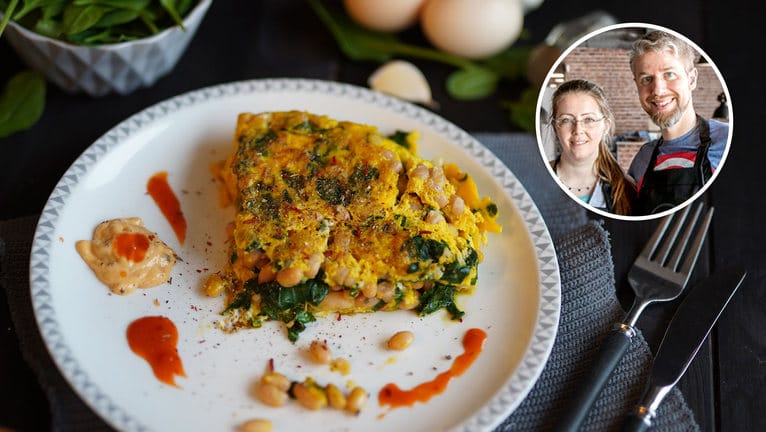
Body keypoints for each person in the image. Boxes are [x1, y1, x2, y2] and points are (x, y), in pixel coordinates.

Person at [627, 30, 729, 215]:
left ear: (691, 79)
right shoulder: (643, 158)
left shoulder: (727, 140)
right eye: (646, 79)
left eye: (669, 74)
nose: (657, 90)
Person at [548, 79, 636, 215]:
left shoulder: (627, 191)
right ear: (555, 127)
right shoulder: (535, 180)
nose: (578, 129)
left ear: (605, 126)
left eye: (589, 119)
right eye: (566, 120)